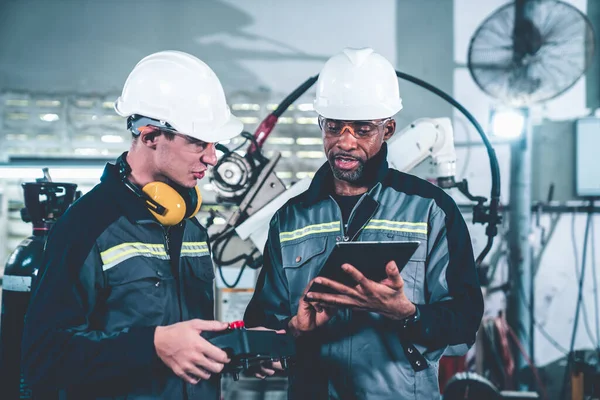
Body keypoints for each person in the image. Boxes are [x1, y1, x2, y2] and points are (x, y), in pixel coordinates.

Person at [244, 47, 484, 399]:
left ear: (388, 129)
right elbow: (260, 326)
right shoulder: (290, 217)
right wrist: (290, 332)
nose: (345, 141)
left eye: (362, 129)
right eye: (333, 127)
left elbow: (464, 324)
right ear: (321, 125)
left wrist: (407, 314)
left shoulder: (431, 210)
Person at [21, 50, 243, 400]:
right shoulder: (87, 225)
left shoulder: (190, 225)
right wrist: (151, 345)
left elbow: (191, 344)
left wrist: (241, 347)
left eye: (214, 144)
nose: (212, 157)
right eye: (198, 142)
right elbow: (44, 356)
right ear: (151, 136)